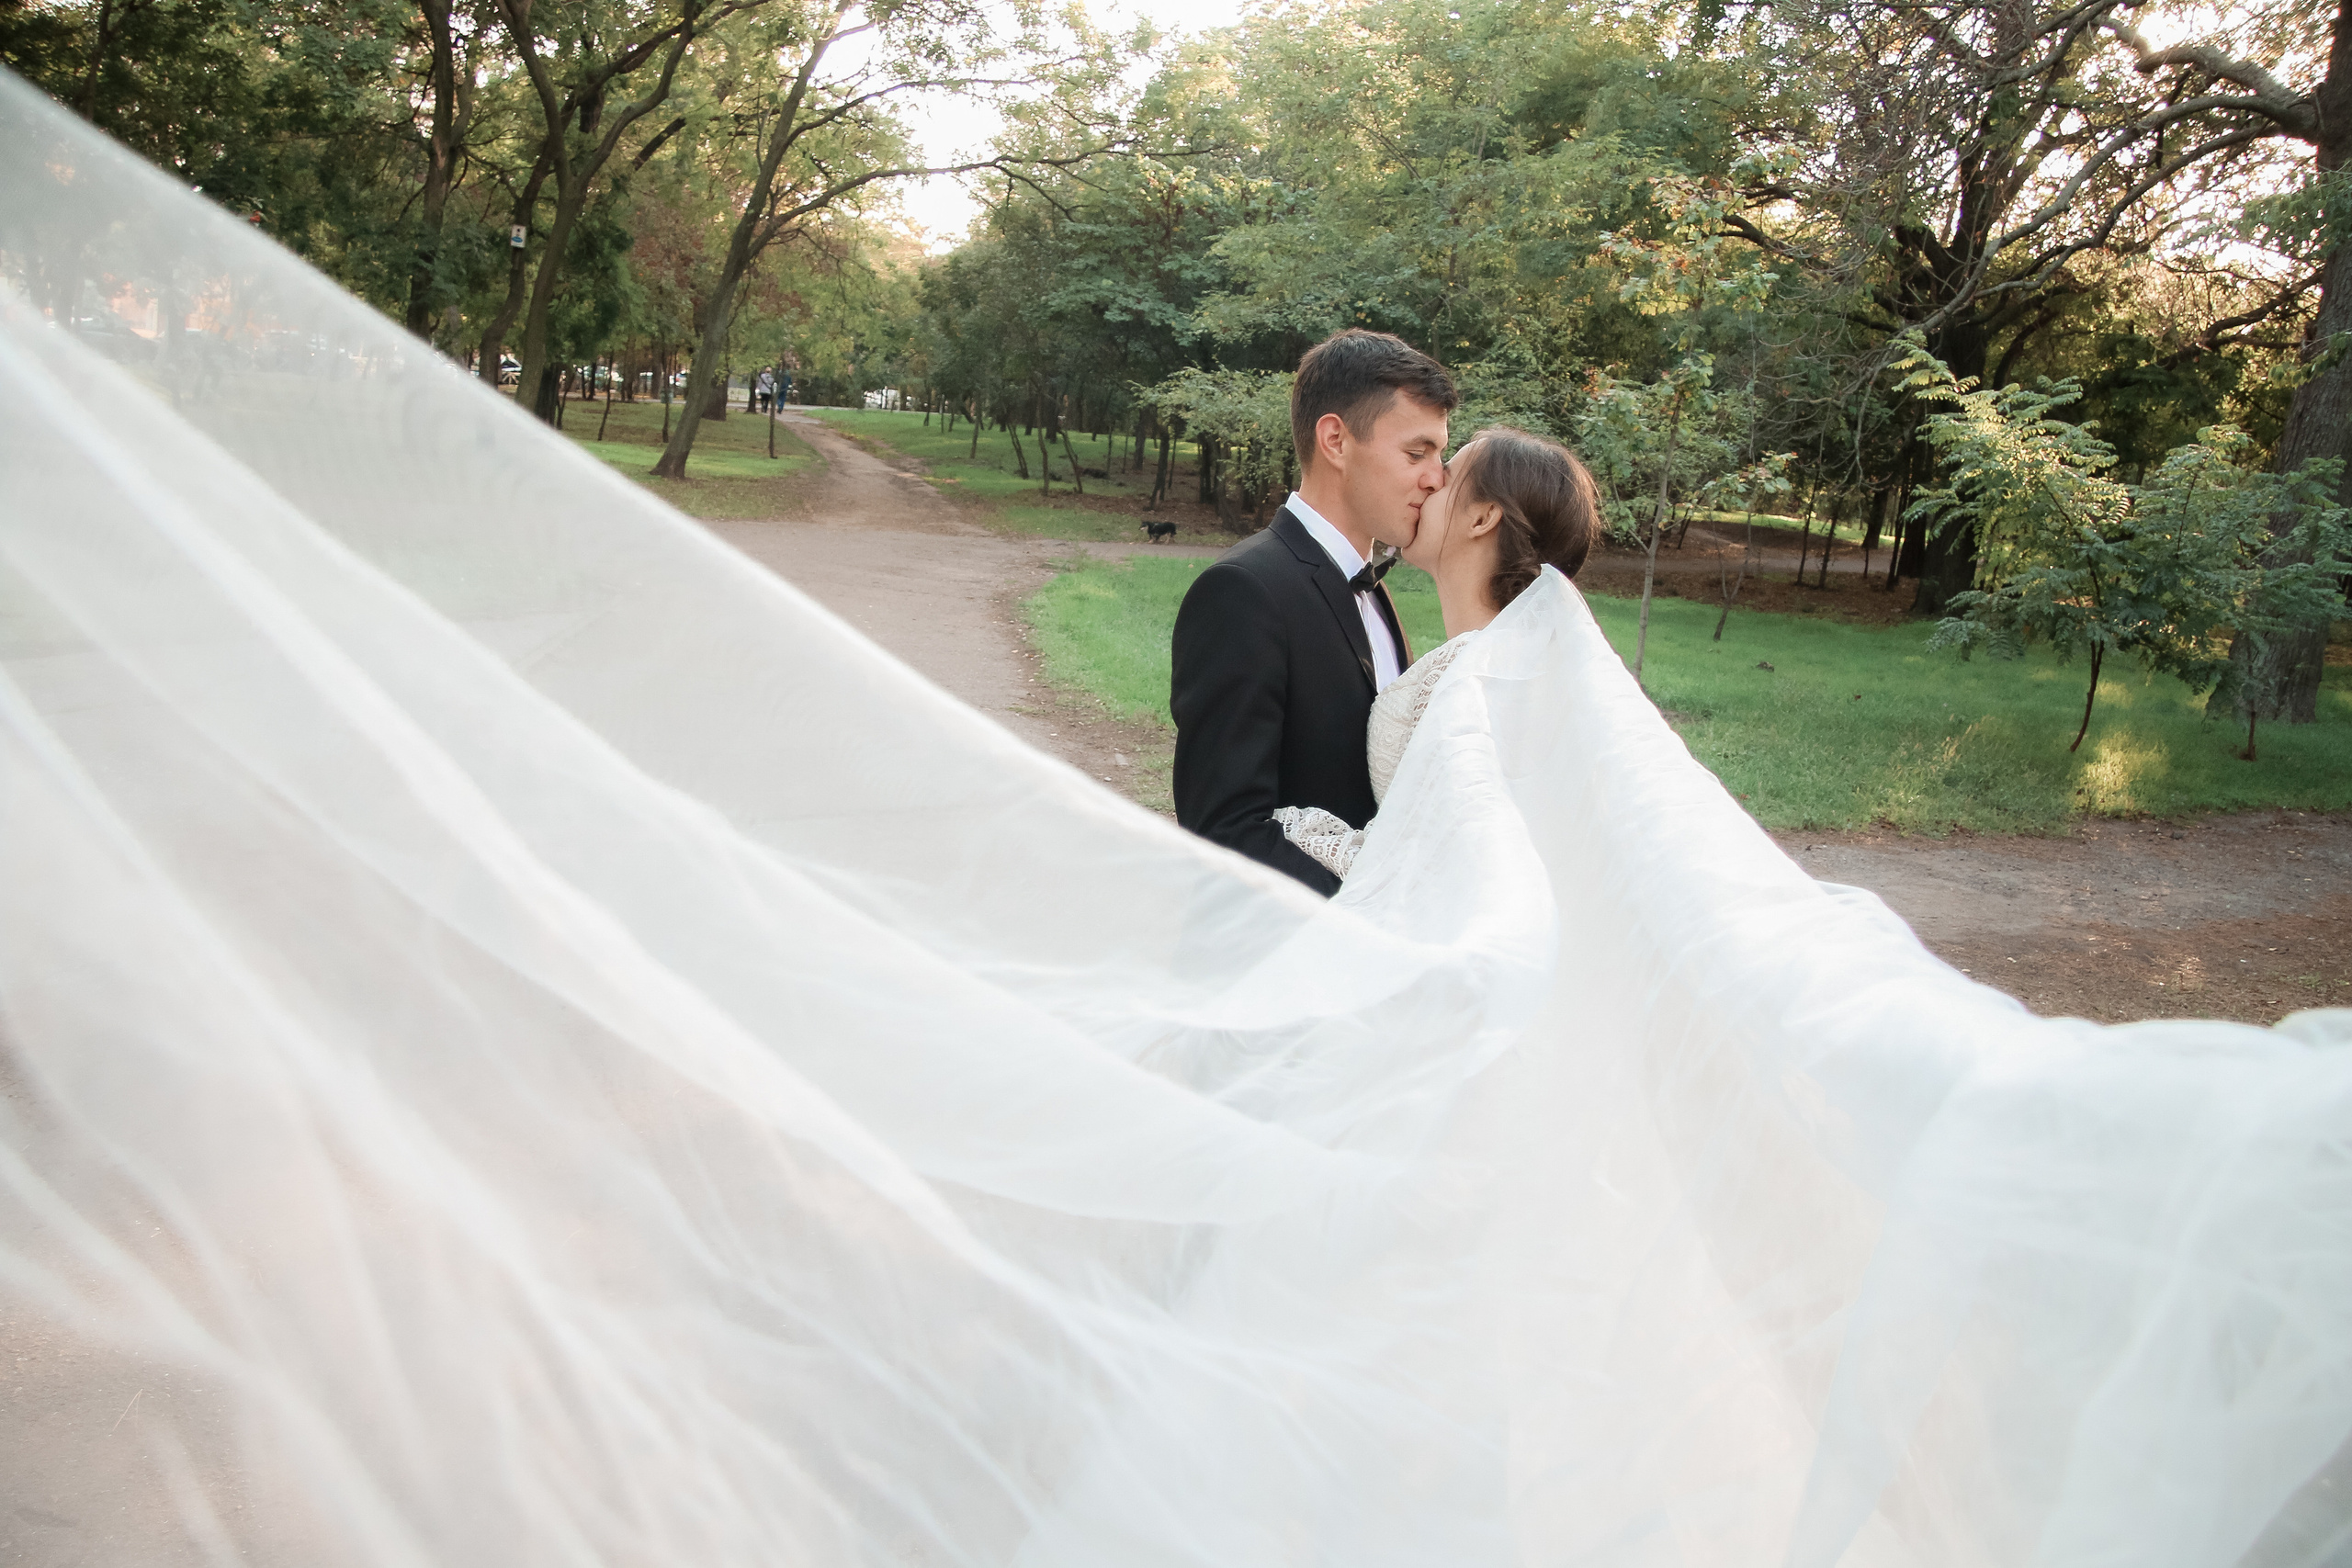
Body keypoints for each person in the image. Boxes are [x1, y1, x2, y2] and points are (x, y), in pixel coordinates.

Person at [1169, 329, 1457, 895]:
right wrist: (1377, 915)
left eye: (1440, 455)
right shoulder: (1242, 592)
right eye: (1417, 452)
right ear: (1336, 441)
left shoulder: (1373, 588)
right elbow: (1223, 830)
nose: (1436, 477)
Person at [1272, 427, 1600, 881]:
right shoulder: (1498, 661)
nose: (1428, 482)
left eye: (1446, 475)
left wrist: (1296, 829)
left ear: (1482, 518)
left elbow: (1451, 864)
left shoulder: (1483, 677)